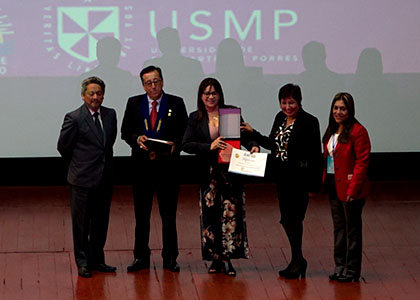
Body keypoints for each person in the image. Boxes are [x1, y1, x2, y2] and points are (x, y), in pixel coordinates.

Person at [242, 83, 322, 279]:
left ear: (300, 102)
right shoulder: (280, 118)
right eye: (284, 102)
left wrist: (314, 186)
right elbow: (272, 143)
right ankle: (297, 260)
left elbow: (316, 155)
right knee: (287, 219)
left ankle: (298, 259)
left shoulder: (310, 122)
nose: (288, 107)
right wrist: (253, 133)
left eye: (292, 102)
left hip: (300, 180)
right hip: (282, 178)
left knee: (295, 218)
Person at [182, 77, 259, 276]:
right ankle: (214, 258)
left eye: (214, 93)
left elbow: (246, 136)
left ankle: (227, 259)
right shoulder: (195, 117)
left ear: (219, 95)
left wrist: (253, 145)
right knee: (210, 216)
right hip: (208, 174)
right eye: (206, 93)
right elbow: (187, 144)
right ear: (201, 96)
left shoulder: (231, 113)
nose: (210, 96)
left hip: (231, 172)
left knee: (230, 215)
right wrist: (210, 146)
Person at [121, 65, 188, 272]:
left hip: (167, 168)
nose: (153, 86)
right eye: (149, 82)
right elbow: (125, 131)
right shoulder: (134, 103)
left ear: (163, 81)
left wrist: (175, 145)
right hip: (142, 168)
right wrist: (136, 138)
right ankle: (140, 257)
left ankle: (170, 257)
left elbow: (184, 133)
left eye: (156, 81)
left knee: (168, 215)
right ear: (143, 85)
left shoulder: (176, 103)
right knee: (141, 215)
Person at [57, 76, 117, 278]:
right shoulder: (73, 118)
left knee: (101, 223)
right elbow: (63, 147)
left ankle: (97, 259)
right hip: (81, 180)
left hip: (104, 179)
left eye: (99, 93)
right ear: (83, 96)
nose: (95, 97)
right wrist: (79, 165)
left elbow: (107, 145)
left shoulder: (110, 115)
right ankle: (82, 262)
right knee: (81, 225)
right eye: (91, 93)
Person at [322, 92, 370, 282]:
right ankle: (339, 266)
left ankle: (352, 271)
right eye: (336, 108)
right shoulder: (332, 131)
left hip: (351, 189)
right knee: (339, 229)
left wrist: (353, 190)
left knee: (352, 231)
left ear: (350, 110)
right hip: (334, 185)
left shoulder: (358, 131)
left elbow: (362, 162)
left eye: (343, 108)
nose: (338, 112)